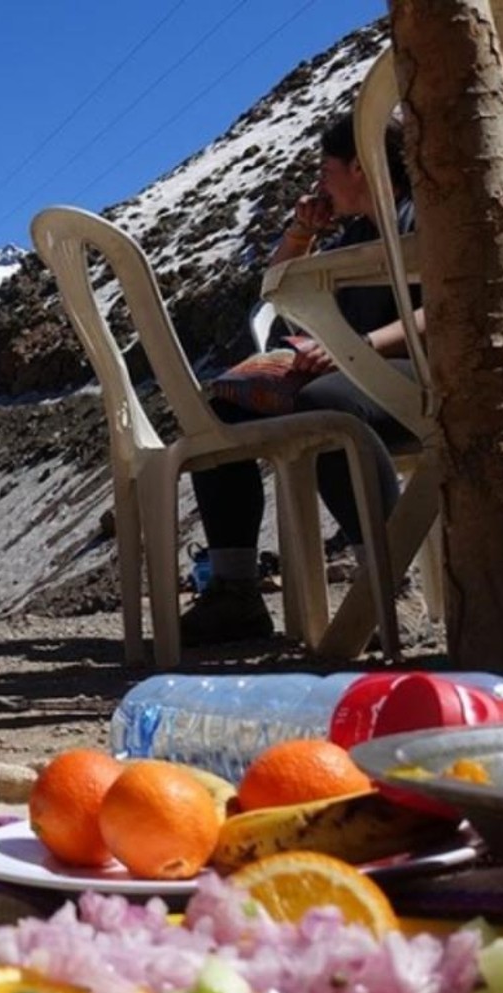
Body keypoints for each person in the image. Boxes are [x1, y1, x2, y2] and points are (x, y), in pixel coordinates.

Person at [181, 112, 423, 646]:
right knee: (222, 406)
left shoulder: (422, 215)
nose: (320, 182)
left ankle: (388, 583)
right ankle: (235, 590)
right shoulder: (356, 233)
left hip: (417, 372)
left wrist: (357, 347)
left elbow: (445, 307)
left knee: (324, 407)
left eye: (326, 168)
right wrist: (302, 232)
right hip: (356, 371)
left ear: (358, 167)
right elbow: (278, 290)